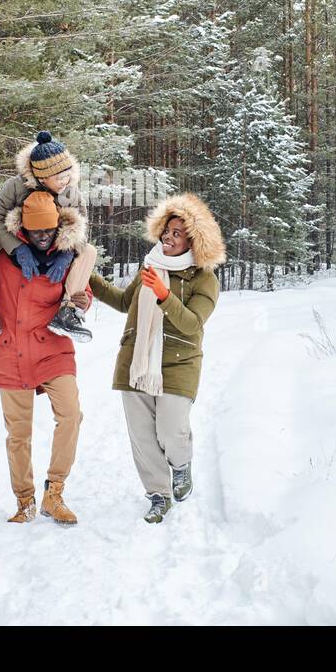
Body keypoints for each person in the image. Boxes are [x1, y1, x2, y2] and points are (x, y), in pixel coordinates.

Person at [88, 193, 226, 524]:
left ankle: (181, 465)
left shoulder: (204, 279)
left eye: (178, 232)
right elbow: (124, 302)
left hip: (179, 363)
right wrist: (87, 277)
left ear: (195, 240)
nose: (168, 236)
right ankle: (158, 494)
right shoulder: (151, 266)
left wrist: (164, 296)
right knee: (142, 436)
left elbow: (193, 324)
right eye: (167, 230)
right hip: (135, 361)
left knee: (170, 430)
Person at [0, 190, 92, 525]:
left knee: (71, 415)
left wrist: (81, 301)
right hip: (10, 349)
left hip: (52, 346)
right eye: (36, 232)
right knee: (18, 433)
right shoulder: (5, 252)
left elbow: (83, 289)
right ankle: (24, 501)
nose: (43, 237)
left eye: (48, 231)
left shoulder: (67, 254)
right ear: (23, 228)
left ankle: (55, 492)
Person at [0, 131, 96, 345]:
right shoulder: (16, 186)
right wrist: (17, 247)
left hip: (55, 244)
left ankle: (69, 311)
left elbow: (82, 230)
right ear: (42, 176)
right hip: (20, 239)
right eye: (59, 177)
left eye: (67, 174)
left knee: (89, 251)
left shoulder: (70, 192)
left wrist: (67, 253)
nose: (65, 180)